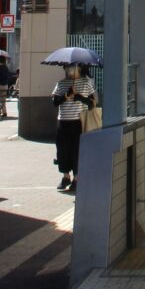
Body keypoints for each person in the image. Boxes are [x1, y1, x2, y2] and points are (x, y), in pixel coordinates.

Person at [51, 63, 95, 192]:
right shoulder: (61, 83)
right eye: (67, 68)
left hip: (77, 122)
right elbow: (55, 102)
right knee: (62, 150)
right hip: (63, 121)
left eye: (72, 68)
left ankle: (77, 178)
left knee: (76, 150)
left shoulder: (86, 83)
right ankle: (65, 176)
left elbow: (92, 104)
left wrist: (80, 97)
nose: (69, 70)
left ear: (79, 69)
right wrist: (66, 95)